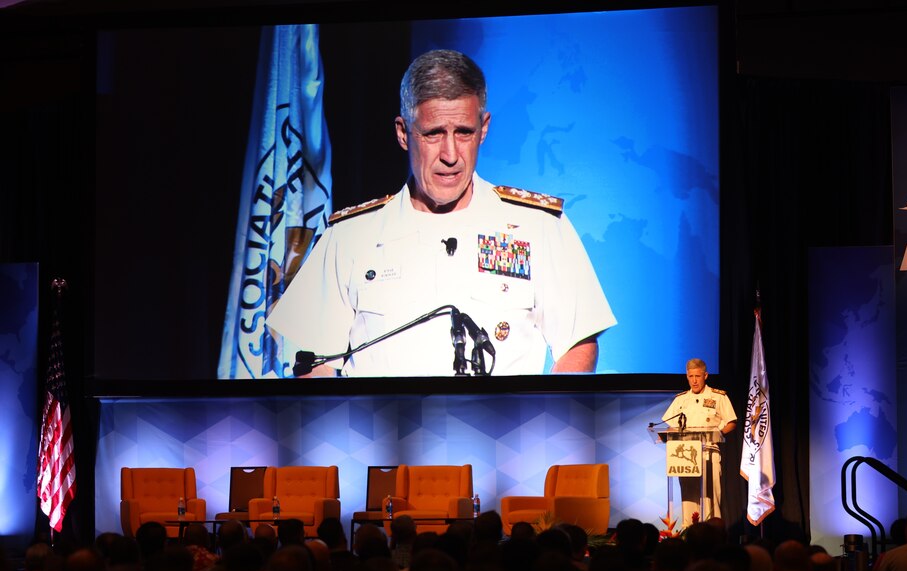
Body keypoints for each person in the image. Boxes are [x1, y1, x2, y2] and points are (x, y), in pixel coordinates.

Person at [266, 49, 616, 377]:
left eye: (464, 132)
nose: (450, 155)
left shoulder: (538, 227)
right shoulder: (349, 237)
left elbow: (577, 345)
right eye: (433, 134)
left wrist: (543, 417)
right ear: (403, 133)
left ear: (484, 128)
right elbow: (312, 363)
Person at [661, 358, 737, 526]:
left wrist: (717, 434)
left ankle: (713, 534)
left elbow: (731, 422)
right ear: (687, 377)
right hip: (686, 455)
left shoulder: (718, 397)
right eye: (691, 376)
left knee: (710, 499)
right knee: (689, 499)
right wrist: (665, 435)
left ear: (705, 375)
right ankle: (689, 533)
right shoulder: (681, 400)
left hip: (709, 453)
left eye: (698, 376)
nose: (694, 381)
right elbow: (671, 425)